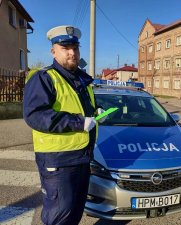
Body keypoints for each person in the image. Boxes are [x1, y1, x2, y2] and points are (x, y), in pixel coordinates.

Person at [23, 25, 101, 225]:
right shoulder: (44, 77)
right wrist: (79, 122)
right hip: (57, 161)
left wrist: (97, 112)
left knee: (74, 212)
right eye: (65, 47)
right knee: (59, 215)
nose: (72, 52)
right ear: (53, 51)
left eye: (75, 48)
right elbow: (35, 114)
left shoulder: (81, 81)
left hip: (82, 157)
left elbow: (82, 109)